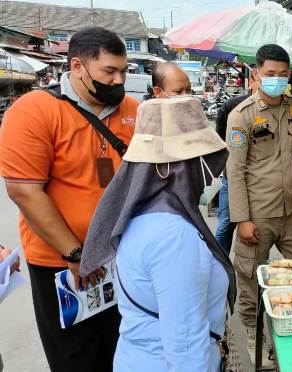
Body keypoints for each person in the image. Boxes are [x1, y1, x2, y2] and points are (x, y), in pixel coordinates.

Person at [0, 27, 137, 372]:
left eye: (123, 71)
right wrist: (76, 254)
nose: (119, 80)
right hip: (62, 264)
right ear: (77, 66)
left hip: (120, 258)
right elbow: (24, 191)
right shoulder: (34, 111)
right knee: (75, 356)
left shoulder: (131, 110)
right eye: (109, 71)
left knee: (121, 348)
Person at [80, 97, 237, 372]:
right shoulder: (174, 238)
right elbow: (186, 349)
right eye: (198, 159)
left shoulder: (146, 215)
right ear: (168, 168)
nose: (210, 175)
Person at [225, 44, 292, 364]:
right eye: (270, 74)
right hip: (257, 213)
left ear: (289, 75)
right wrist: (241, 219)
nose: (276, 79)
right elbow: (234, 172)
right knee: (250, 277)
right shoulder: (241, 116)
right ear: (256, 74)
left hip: (291, 210)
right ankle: (254, 335)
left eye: (282, 74)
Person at [214, 73, 256, 255]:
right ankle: (218, 263)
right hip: (232, 177)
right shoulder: (233, 106)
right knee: (225, 224)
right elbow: (220, 139)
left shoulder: (278, 109)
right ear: (254, 79)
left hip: (259, 181)